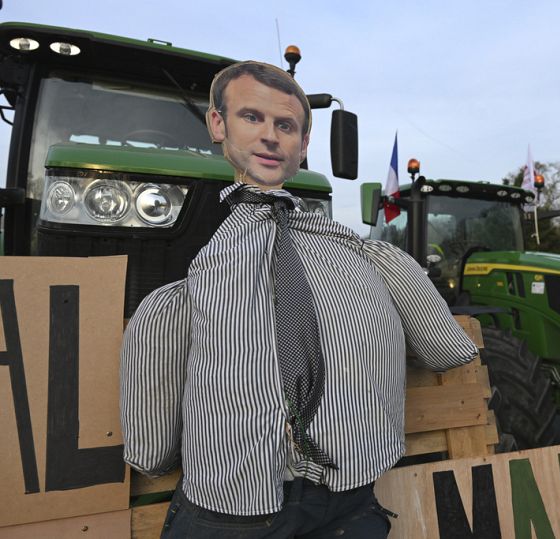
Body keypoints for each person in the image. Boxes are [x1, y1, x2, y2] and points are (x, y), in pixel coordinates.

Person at [119, 61, 478, 538]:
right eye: (252, 117)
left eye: (285, 126)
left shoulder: (367, 257)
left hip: (348, 498)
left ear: (304, 145)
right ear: (218, 123)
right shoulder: (199, 285)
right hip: (235, 505)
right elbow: (150, 445)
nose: (269, 136)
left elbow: (447, 348)